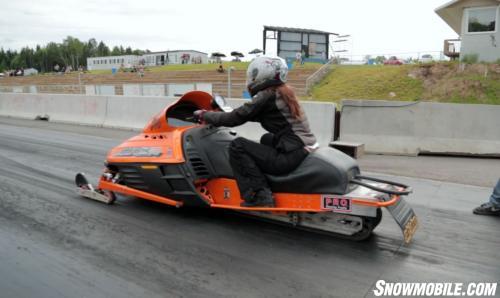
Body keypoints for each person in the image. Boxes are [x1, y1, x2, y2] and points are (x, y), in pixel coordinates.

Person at [194, 56, 318, 207]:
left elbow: (234, 119)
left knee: (237, 145)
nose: (252, 78)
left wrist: (204, 115)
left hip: (291, 155)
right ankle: (266, 182)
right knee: (266, 138)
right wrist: (224, 114)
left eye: (254, 74)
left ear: (263, 74)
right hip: (303, 148)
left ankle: (260, 194)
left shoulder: (267, 95)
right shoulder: (283, 91)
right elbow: (252, 115)